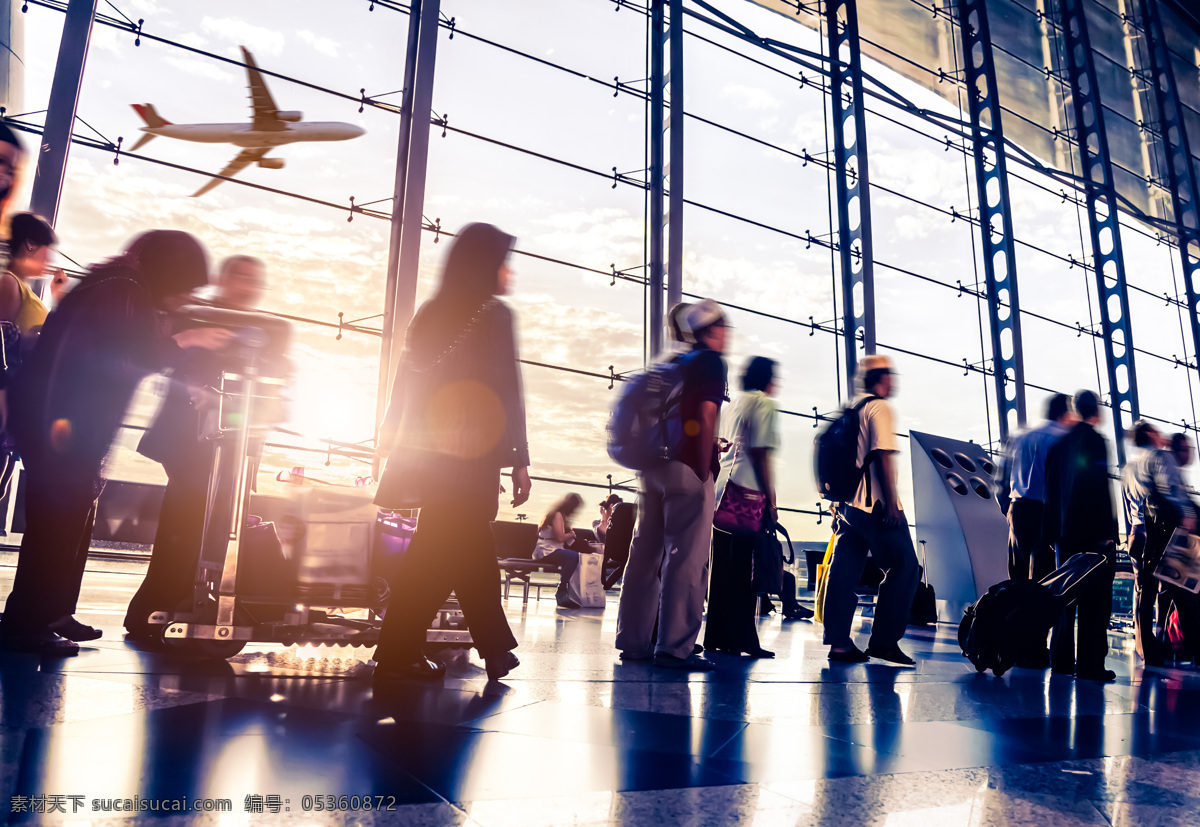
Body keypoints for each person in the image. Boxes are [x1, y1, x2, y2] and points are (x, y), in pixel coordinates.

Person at [0, 231, 229, 655]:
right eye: (184, 287)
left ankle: (43, 613)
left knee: (61, 522)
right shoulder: (124, 290)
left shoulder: (116, 283)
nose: (183, 298)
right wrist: (188, 341)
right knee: (56, 524)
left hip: (58, 418)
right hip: (62, 422)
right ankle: (25, 624)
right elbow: (132, 356)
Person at [372, 222, 531, 683]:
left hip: (428, 454)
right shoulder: (494, 314)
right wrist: (519, 458)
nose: (509, 272)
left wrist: (389, 433)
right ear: (484, 265)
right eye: (504, 262)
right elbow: (508, 390)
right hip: (470, 454)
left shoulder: (429, 314)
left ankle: (479, 648)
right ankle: (413, 650)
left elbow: (405, 382)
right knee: (457, 546)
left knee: (447, 547)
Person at [123, 255, 270, 640]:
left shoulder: (255, 329)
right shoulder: (197, 317)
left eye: (256, 280)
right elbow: (173, 365)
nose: (249, 286)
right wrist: (197, 388)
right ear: (223, 278)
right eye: (242, 277)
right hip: (193, 442)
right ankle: (153, 610)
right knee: (186, 524)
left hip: (230, 444)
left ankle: (183, 606)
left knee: (211, 528)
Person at [615, 298, 728, 671]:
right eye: (722, 328)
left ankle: (632, 641)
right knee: (687, 559)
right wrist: (702, 465)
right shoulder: (710, 362)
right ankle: (674, 647)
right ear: (708, 331)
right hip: (687, 467)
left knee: (645, 555)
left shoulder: (669, 365)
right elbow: (706, 414)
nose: (726, 336)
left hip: (652, 469)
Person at [822, 354, 920, 665]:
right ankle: (884, 642)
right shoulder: (879, 407)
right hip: (873, 504)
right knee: (906, 567)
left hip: (847, 506)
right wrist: (891, 503)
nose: (894, 382)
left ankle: (839, 643)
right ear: (881, 378)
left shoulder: (851, 409)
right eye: (891, 376)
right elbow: (882, 455)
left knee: (844, 570)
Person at [705, 356, 785, 658]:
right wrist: (771, 499)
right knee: (743, 571)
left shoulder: (732, 405)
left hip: (722, 491)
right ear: (766, 378)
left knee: (722, 568)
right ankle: (742, 639)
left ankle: (716, 636)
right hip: (747, 494)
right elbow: (761, 454)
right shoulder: (765, 404)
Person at [1043, 390, 1119, 682]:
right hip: (1092, 534)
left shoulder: (1059, 444)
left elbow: (1050, 490)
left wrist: (1051, 533)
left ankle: (1060, 660)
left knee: (1064, 595)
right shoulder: (1096, 440)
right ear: (1095, 410)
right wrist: (1108, 533)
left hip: (1064, 535)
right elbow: (1099, 487)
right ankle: (1089, 665)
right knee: (1096, 602)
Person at [1122, 421, 1196, 665]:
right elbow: (1171, 490)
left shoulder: (1128, 468)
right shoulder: (1159, 458)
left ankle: (1146, 650)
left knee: (1143, 594)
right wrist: (1189, 514)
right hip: (1160, 535)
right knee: (1181, 590)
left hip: (1136, 535)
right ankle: (1187, 646)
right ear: (1150, 435)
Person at [1004, 393, 1073, 583]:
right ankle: (1038, 612)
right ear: (1065, 413)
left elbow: (1000, 478)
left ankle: (1016, 612)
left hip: (1019, 509)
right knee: (1045, 575)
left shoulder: (1020, 437)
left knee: (1017, 573)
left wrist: (1008, 508)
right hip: (1048, 512)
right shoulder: (1064, 440)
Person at [535, 492, 587, 609]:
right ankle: (562, 590)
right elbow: (559, 537)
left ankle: (567, 591)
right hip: (547, 550)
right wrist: (572, 534)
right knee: (573, 556)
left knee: (575, 556)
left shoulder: (560, 515)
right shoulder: (558, 515)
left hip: (554, 548)